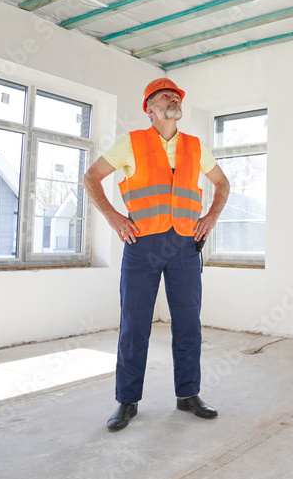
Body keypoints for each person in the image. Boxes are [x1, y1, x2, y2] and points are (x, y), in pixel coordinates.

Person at [83, 78, 230, 431]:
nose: (173, 98)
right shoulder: (130, 143)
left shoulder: (196, 147)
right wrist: (113, 216)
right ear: (149, 107)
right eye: (165, 95)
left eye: (176, 95)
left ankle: (188, 395)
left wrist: (210, 216)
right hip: (142, 244)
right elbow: (91, 177)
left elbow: (222, 184)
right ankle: (127, 401)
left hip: (184, 246)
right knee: (134, 326)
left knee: (188, 325)